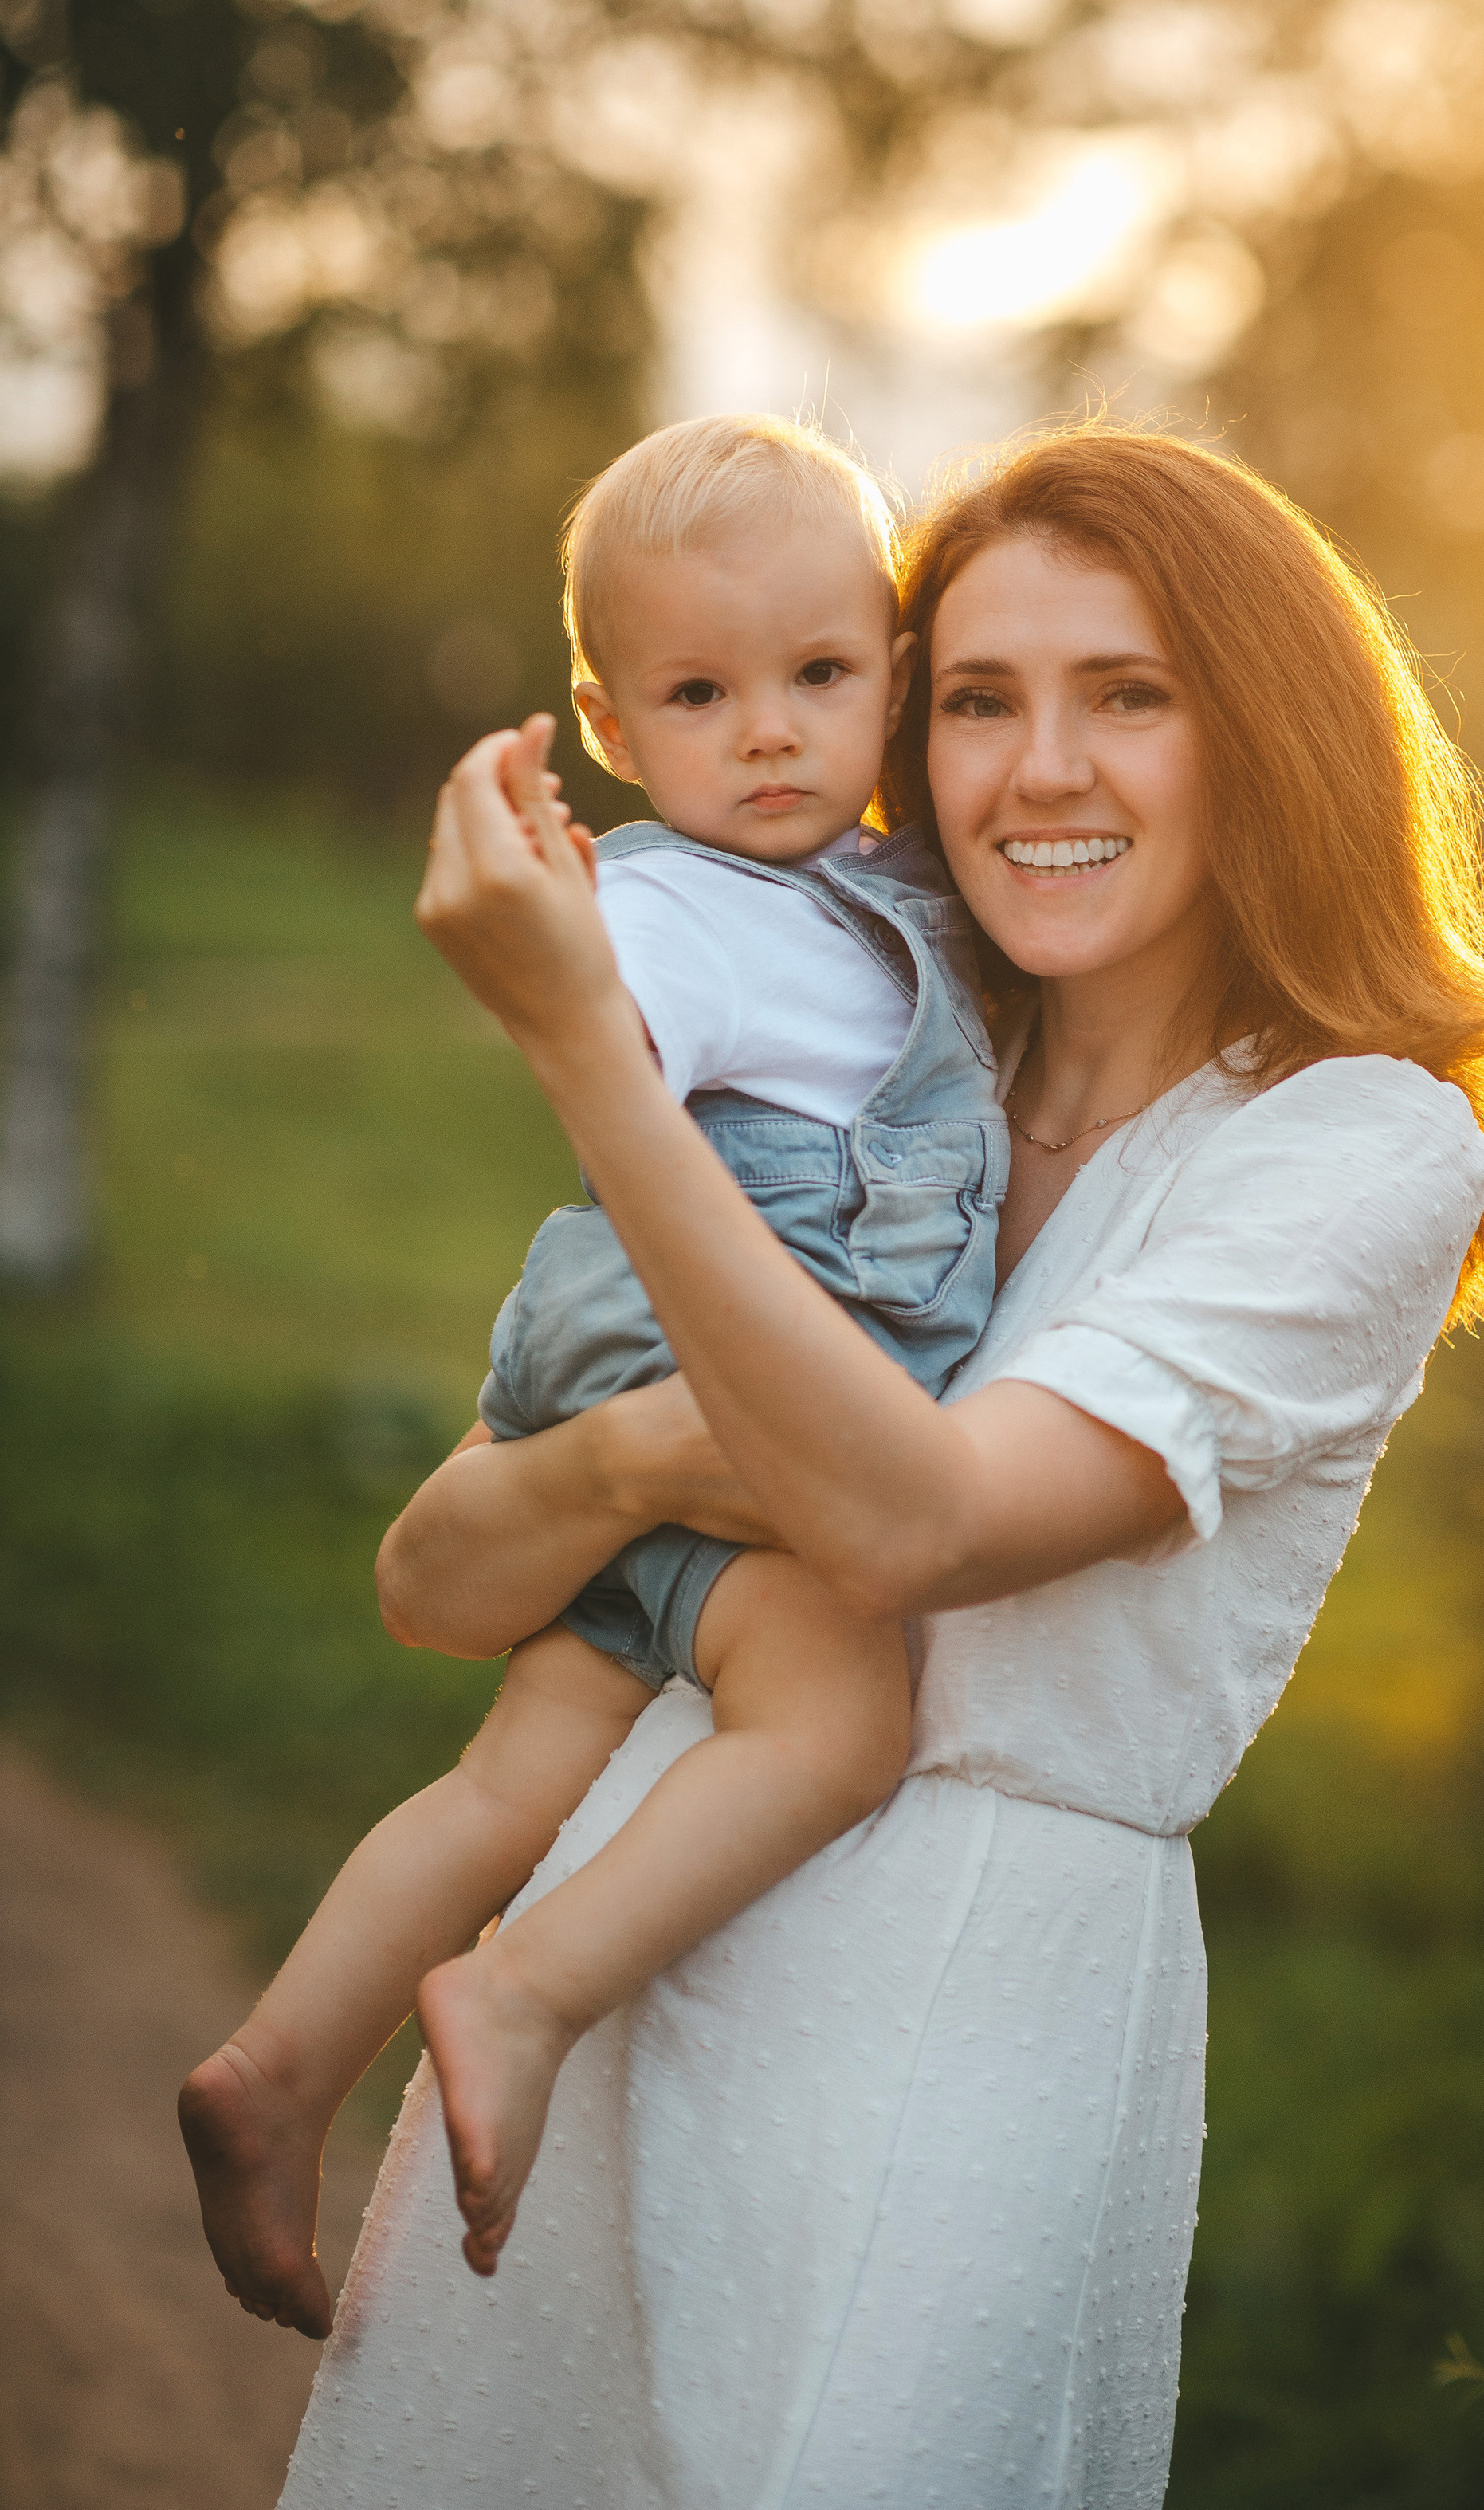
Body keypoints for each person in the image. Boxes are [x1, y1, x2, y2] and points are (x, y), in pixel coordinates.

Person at [279, 426, 1484, 2510]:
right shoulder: (874, 1051)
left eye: (1129, 695)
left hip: (956, 2012)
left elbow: (913, 1525)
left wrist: (586, 1060)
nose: (1039, 769)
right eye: (982, 699)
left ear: (1266, 734)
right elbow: (440, 1581)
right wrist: (637, 1450)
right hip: (616, 1948)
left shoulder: (1357, 1147)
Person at [179, 415, 1007, 2339]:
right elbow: (608, 1037)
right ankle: (522, 1992)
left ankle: (273, 2072)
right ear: (611, 727)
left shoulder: (894, 891)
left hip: (634, 1379)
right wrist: (564, 955)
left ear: (893, 675)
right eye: (701, 695)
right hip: (703, 1362)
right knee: (836, 1723)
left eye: (818, 675)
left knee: (505, 1776)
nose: (770, 734)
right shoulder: (676, 904)